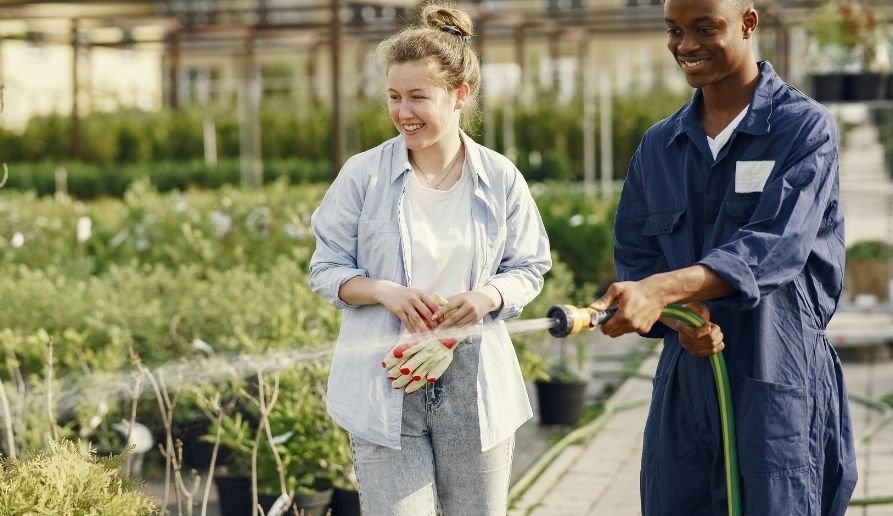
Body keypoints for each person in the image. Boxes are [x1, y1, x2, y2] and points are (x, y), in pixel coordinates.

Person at [588, 0, 858, 513]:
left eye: (704, 28)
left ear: (748, 23)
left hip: (777, 373)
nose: (686, 45)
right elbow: (638, 255)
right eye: (674, 30)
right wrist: (678, 318)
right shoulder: (660, 146)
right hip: (687, 386)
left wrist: (665, 290)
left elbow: (778, 245)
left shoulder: (803, 130)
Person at [308, 3, 551, 514]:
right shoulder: (363, 175)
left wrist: (489, 296)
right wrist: (384, 291)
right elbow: (325, 268)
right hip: (385, 377)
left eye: (418, 96)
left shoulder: (499, 177)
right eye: (394, 97)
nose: (403, 112)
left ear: (460, 95)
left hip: (474, 382)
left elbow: (530, 266)